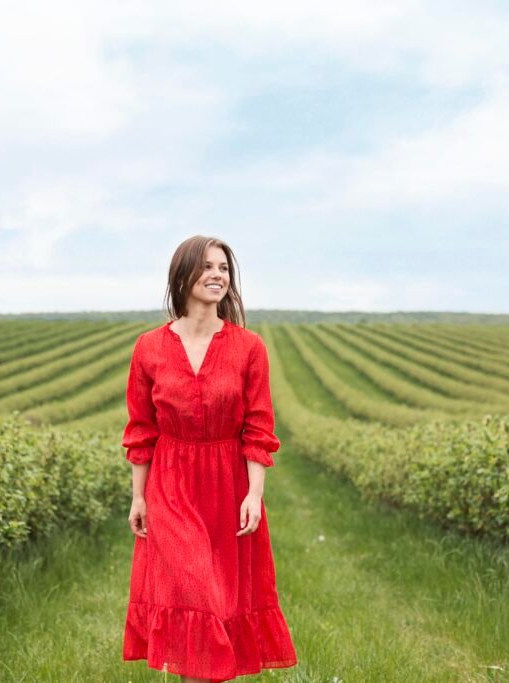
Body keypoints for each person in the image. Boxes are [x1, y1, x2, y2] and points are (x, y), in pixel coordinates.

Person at [121, 236, 298, 682]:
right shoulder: (149, 348)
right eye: (207, 267)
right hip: (171, 484)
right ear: (182, 276)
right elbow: (141, 431)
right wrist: (138, 498)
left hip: (228, 486)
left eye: (223, 268)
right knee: (194, 590)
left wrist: (254, 494)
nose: (217, 275)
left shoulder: (248, 347)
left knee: (221, 605)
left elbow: (259, 428)